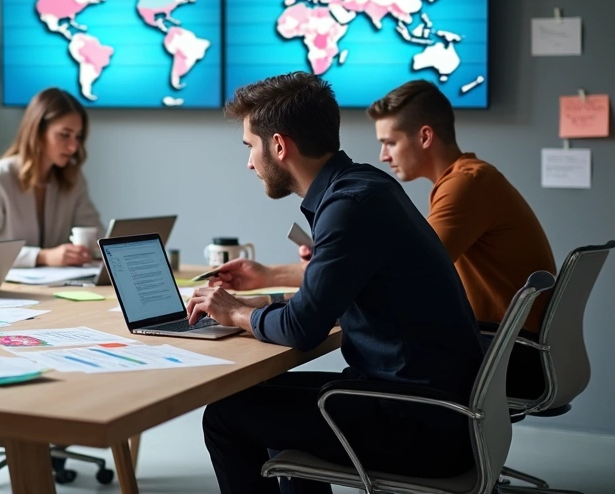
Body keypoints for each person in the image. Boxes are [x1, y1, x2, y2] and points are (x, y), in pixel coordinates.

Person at [186, 73, 483, 494]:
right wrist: (255, 303)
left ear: (279, 145)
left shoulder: (349, 206)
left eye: (251, 147)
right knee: (260, 399)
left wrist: (235, 312)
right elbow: (321, 298)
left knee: (226, 416)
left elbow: (302, 329)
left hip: (419, 422)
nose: (250, 163)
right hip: (429, 407)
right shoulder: (363, 188)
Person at [367, 79, 556, 399]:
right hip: (505, 343)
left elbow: (407, 270)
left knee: (375, 360)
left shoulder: (466, 185)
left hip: (508, 352)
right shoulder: (467, 179)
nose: (383, 156)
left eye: (390, 142)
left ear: (425, 136)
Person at [0, 87, 102, 268]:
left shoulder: (73, 179)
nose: (73, 147)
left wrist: (91, 248)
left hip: (57, 285)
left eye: (78, 137)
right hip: (7, 288)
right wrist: (41, 256)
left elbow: (94, 231)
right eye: (64, 135)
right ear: (38, 131)